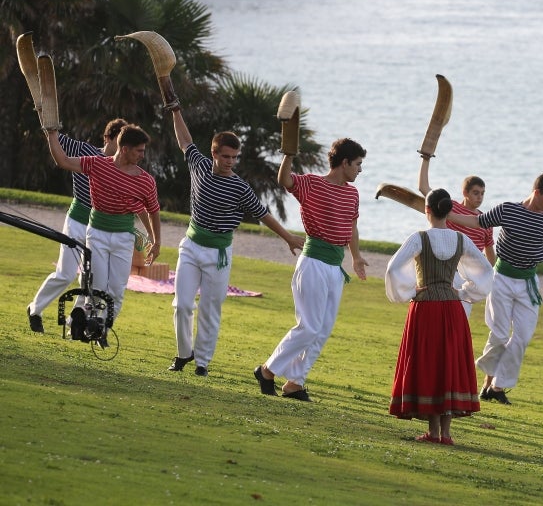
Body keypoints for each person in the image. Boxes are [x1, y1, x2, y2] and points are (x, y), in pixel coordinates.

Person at [166, 108, 305, 376]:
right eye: (226, 156)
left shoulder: (240, 188)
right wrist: (175, 110)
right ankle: (184, 354)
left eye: (235, 157)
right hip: (191, 246)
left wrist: (288, 237)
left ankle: (202, 363)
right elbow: (185, 140)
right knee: (182, 305)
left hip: (219, 253)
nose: (231, 161)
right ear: (214, 153)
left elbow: (263, 214)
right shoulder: (199, 165)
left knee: (210, 309)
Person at [448, 173, 543, 404]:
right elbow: (478, 221)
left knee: (523, 336)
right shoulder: (508, 210)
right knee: (498, 334)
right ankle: (489, 383)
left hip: (528, 283)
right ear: (536, 193)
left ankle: (497, 386)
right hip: (502, 279)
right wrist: (448, 215)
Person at [254, 138, 369, 400]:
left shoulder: (352, 193)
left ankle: (295, 382)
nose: (360, 170)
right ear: (345, 162)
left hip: (334, 267)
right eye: (358, 164)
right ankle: (267, 370)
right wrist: (289, 154)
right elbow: (284, 180)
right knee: (309, 327)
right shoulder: (312, 184)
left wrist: (357, 256)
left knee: (323, 329)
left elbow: (351, 227)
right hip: (313, 263)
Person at [385, 188, 494, 445]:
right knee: (449, 364)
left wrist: (410, 290)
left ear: (427, 210)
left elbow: (392, 268)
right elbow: (486, 270)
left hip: (425, 307)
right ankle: (445, 434)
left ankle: (433, 433)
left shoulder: (419, 238)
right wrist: (465, 291)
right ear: (450, 212)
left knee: (428, 364)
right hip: (452, 307)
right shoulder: (460, 239)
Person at [26, 119, 151, 332]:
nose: (123, 146)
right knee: (65, 274)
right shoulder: (87, 152)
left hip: (101, 229)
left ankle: (76, 321)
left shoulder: (128, 168)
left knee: (90, 280)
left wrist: (149, 235)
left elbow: (137, 201)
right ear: (108, 139)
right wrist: (45, 117)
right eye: (118, 139)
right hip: (77, 221)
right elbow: (54, 135)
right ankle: (35, 309)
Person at [418, 154, 496, 316]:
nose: (480, 197)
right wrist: (426, 159)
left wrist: (485, 279)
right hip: (447, 270)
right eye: (476, 193)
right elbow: (424, 188)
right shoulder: (450, 207)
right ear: (465, 192)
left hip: (468, 276)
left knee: (460, 318)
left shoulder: (485, 220)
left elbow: (490, 256)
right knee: (439, 315)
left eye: (482, 193)